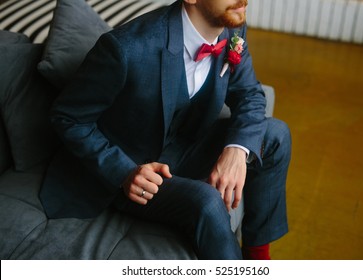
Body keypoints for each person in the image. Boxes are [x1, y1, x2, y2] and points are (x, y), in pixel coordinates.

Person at [40, 0, 291, 260]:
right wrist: (124, 172)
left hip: (183, 146)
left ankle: (257, 257)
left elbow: (250, 94)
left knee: (276, 135)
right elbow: (67, 117)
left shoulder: (231, 26)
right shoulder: (126, 48)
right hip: (132, 173)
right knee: (206, 201)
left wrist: (236, 150)